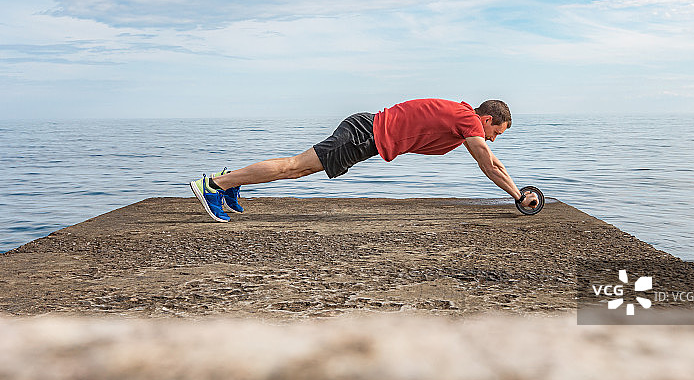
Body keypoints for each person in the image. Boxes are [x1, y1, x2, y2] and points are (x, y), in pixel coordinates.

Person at [189, 98, 539, 222]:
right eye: (497, 132)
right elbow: (489, 163)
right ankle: (216, 185)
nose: (493, 139)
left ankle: (229, 181)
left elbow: (491, 160)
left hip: (366, 133)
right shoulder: (467, 120)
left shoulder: (462, 119)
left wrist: (516, 190)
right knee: (294, 168)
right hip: (364, 134)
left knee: (295, 169)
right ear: (487, 119)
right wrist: (518, 196)